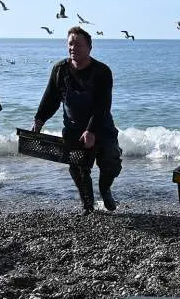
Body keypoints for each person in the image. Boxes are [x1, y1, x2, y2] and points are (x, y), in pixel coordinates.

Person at [32, 26, 122, 214]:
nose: (73, 48)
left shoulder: (102, 71)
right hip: (73, 129)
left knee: (112, 164)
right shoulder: (60, 70)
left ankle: (105, 188)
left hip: (102, 127)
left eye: (78, 44)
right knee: (78, 168)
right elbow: (50, 98)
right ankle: (88, 205)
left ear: (89, 47)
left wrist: (91, 130)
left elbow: (103, 105)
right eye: (70, 44)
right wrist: (39, 120)